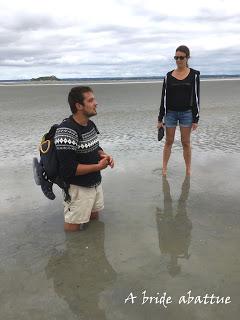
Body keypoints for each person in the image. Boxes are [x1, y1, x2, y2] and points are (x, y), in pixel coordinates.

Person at [55, 86, 114, 232]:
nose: (96, 103)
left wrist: (104, 155)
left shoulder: (90, 124)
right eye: (91, 100)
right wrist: (98, 167)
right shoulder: (66, 131)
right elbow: (68, 170)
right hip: (77, 189)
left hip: (95, 183)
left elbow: (95, 148)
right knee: (73, 228)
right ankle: (75, 253)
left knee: (94, 221)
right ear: (79, 106)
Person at [157, 45, 200, 176]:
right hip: (170, 113)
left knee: (185, 142)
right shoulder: (168, 76)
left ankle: (188, 170)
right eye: (176, 57)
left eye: (181, 57)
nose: (178, 60)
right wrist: (160, 119)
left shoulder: (194, 75)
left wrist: (196, 118)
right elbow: (163, 98)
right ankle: (164, 169)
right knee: (168, 142)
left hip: (187, 113)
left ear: (187, 58)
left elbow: (196, 97)